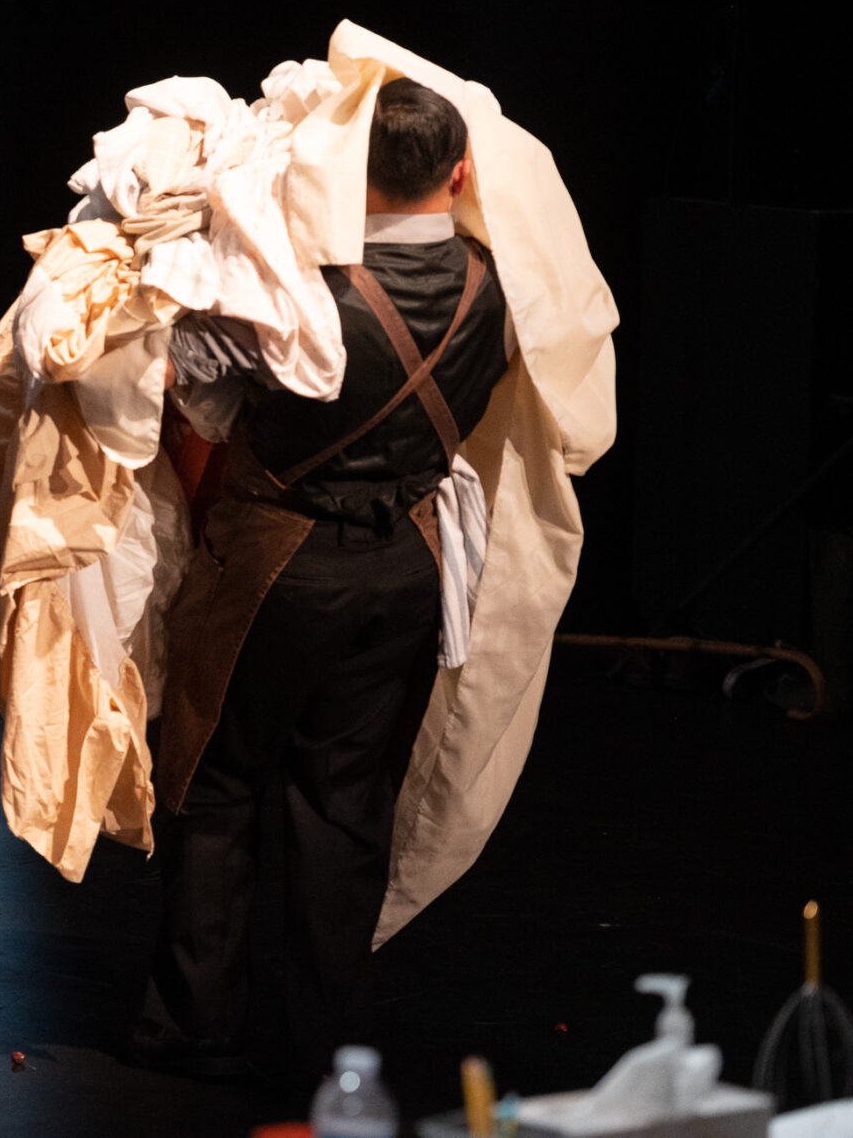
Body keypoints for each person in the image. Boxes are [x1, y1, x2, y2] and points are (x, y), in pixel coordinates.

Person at [137, 78, 513, 1086]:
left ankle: (196, 1017)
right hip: (406, 565)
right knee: (346, 801)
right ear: (462, 172)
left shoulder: (293, 290)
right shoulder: (494, 284)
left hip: (277, 561)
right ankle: (327, 1041)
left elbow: (204, 409)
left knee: (214, 783)